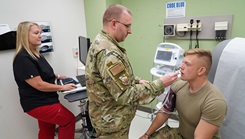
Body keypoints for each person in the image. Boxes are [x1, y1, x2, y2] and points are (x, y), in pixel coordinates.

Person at [85, 4, 178, 139]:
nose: (130, 31)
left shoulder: (101, 41)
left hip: (106, 117)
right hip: (112, 123)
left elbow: (114, 77)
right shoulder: (109, 53)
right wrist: (160, 84)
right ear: (114, 24)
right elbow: (125, 94)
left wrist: (137, 80)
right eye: (127, 26)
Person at [139, 48, 227, 139]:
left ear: (201, 70)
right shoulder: (178, 87)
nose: (181, 67)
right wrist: (146, 134)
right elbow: (164, 112)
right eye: (182, 62)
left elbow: (200, 137)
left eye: (187, 64)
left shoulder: (215, 102)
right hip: (181, 134)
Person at [13, 21, 76, 139]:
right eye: (36, 33)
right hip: (38, 103)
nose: (40, 35)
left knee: (47, 129)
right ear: (25, 35)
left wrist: (57, 76)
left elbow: (42, 73)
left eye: (40, 33)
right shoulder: (23, 58)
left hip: (45, 99)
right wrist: (62, 87)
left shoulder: (35, 53)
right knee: (69, 121)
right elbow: (39, 84)